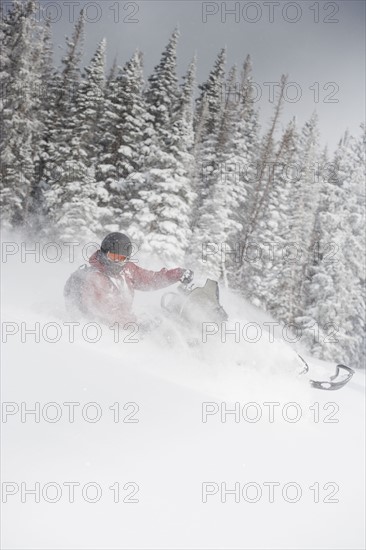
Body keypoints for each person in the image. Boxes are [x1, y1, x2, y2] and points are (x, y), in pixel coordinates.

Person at [64, 232, 193, 326]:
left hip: (128, 325)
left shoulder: (126, 270)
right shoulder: (93, 278)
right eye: (113, 256)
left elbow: (150, 280)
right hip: (104, 333)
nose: (117, 262)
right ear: (103, 253)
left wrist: (177, 274)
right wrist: (135, 325)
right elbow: (104, 313)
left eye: (121, 259)